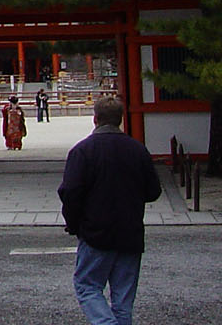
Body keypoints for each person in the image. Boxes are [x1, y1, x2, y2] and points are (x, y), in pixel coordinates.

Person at [58, 95, 161, 325]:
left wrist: (74, 224)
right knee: (123, 300)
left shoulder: (82, 151)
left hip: (96, 232)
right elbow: (153, 191)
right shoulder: (138, 150)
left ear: (95, 119)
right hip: (130, 231)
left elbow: (71, 193)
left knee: (87, 286)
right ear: (120, 120)